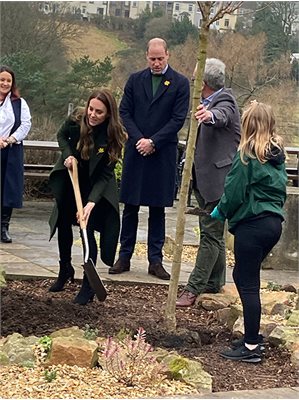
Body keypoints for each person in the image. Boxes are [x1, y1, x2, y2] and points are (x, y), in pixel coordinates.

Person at [211, 101, 287, 362]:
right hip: (273, 224)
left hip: (252, 225)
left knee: (249, 283)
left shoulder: (247, 156)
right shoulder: (276, 157)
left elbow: (233, 192)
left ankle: (252, 346)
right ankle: (251, 336)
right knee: (241, 275)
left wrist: (221, 211)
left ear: (247, 125)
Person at [109, 37, 190, 280]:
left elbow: (178, 119)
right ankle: (124, 256)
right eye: (152, 59)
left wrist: (154, 141)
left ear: (168, 55)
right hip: (136, 150)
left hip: (162, 153)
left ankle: (155, 261)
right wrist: (139, 139)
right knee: (131, 207)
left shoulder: (180, 83)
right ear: (147, 56)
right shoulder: (135, 80)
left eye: (160, 58)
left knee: (157, 209)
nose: (156, 63)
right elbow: (124, 111)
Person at [48, 89, 126, 305]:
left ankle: (88, 285)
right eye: (91, 109)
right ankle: (65, 269)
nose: (92, 115)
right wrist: (68, 155)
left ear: (108, 114)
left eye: (99, 112)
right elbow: (61, 136)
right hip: (72, 177)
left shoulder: (114, 135)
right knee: (64, 223)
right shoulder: (76, 119)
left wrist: (91, 203)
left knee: (86, 228)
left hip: (96, 185)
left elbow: (105, 175)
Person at [176, 58, 241, 307]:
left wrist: (208, 115)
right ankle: (215, 282)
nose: (192, 81)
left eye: (195, 78)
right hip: (204, 180)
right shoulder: (206, 100)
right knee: (213, 233)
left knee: (210, 235)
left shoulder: (224, 101)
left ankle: (193, 289)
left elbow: (220, 116)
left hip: (217, 181)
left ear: (203, 82)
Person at [0, 66, 32, 243]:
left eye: (8, 81)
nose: (5, 83)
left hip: (11, 150)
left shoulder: (19, 102)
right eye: (2, 80)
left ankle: (4, 226)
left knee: (8, 188)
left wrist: (9, 139)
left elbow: (25, 125)